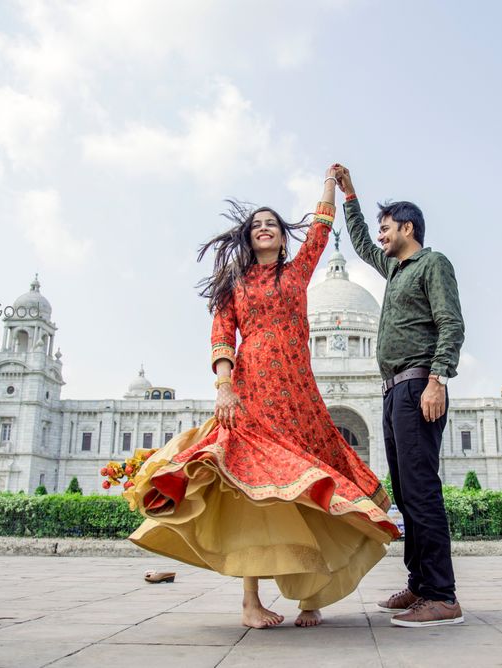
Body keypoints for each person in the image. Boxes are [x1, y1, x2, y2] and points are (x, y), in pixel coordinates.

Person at [121, 165, 398, 629]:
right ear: (249, 239)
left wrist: (332, 185)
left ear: (283, 239)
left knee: (310, 489)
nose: (265, 228)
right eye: (256, 225)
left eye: (271, 223)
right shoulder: (236, 284)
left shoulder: (298, 272)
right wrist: (224, 385)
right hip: (253, 390)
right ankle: (250, 602)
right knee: (250, 491)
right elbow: (221, 333)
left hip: (300, 394)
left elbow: (321, 227)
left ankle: (312, 598)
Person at [335, 165, 466, 628]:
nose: (381, 237)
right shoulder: (394, 267)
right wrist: (350, 197)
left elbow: (451, 323)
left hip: (417, 385)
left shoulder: (433, 264)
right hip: (394, 391)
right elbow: (363, 246)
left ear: (407, 228)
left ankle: (441, 594)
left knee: (423, 490)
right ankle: (418, 584)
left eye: (386, 228)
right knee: (407, 494)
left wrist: (437, 380)